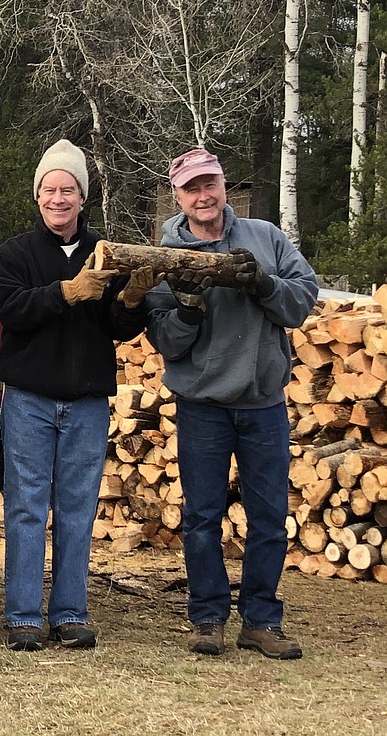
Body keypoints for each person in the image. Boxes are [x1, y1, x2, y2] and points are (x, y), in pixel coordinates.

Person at [145, 148, 317, 660]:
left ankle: (261, 619)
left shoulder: (264, 237)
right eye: (192, 188)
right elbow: (164, 339)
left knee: (267, 515)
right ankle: (208, 617)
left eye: (210, 184)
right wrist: (190, 312)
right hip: (202, 403)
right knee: (202, 514)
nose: (203, 195)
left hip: (264, 402)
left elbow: (303, 299)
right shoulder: (167, 255)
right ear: (178, 196)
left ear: (223, 186)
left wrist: (264, 284)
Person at [0, 140, 153, 652]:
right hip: (30, 398)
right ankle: (23, 616)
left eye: (69, 189)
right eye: (50, 189)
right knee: (26, 508)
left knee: (79, 508)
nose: (58, 198)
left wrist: (132, 298)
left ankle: (70, 613)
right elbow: (12, 311)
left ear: (83, 197)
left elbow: (118, 329)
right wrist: (66, 292)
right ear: (37, 196)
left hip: (86, 398)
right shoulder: (14, 254)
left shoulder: (106, 253)